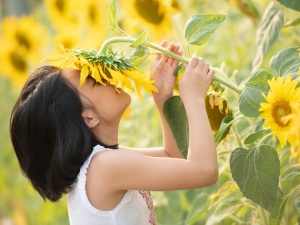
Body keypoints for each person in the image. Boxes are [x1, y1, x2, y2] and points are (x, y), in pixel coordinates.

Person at [10, 40, 218, 225]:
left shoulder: (101, 163)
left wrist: (162, 98)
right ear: (88, 118)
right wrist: (194, 98)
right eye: (96, 81)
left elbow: (173, 157)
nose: (109, 77)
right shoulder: (104, 167)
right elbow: (204, 171)